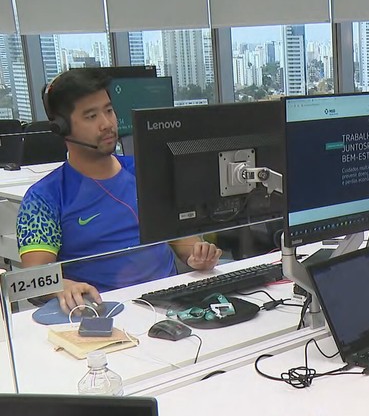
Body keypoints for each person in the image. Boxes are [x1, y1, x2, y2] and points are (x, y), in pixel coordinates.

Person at [16, 68, 222, 313]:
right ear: (61, 128)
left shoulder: (147, 172)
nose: (107, 124)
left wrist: (197, 255)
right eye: (91, 116)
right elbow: (32, 279)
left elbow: (182, 241)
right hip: (103, 311)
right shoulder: (44, 197)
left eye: (109, 110)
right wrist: (63, 285)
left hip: (170, 304)